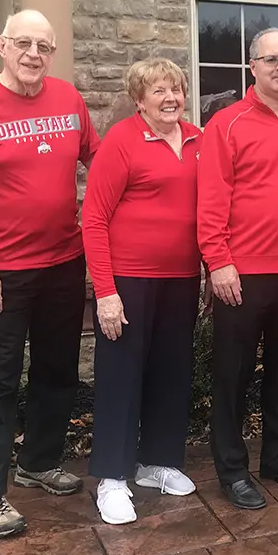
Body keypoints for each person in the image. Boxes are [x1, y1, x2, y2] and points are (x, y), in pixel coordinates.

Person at [0, 10, 99, 539]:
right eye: (24, 43)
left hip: (62, 262)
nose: (34, 54)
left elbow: (98, 164)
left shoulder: (69, 100)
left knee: (58, 370)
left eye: (44, 46)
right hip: (4, 269)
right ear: (2, 45)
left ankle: (38, 461)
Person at [199, 28, 278, 511]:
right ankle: (231, 468)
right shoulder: (226, 124)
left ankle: (277, 456)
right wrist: (219, 262)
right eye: (271, 60)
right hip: (241, 274)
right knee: (234, 374)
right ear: (253, 67)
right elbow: (210, 200)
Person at [81, 58, 203, 524]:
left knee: (171, 371)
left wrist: (211, 269)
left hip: (182, 278)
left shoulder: (198, 140)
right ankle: (112, 478)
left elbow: (209, 209)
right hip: (128, 279)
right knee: (121, 375)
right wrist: (106, 291)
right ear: (139, 99)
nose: (170, 98)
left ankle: (156, 463)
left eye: (176, 89)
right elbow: (93, 218)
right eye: (159, 91)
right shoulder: (122, 141)